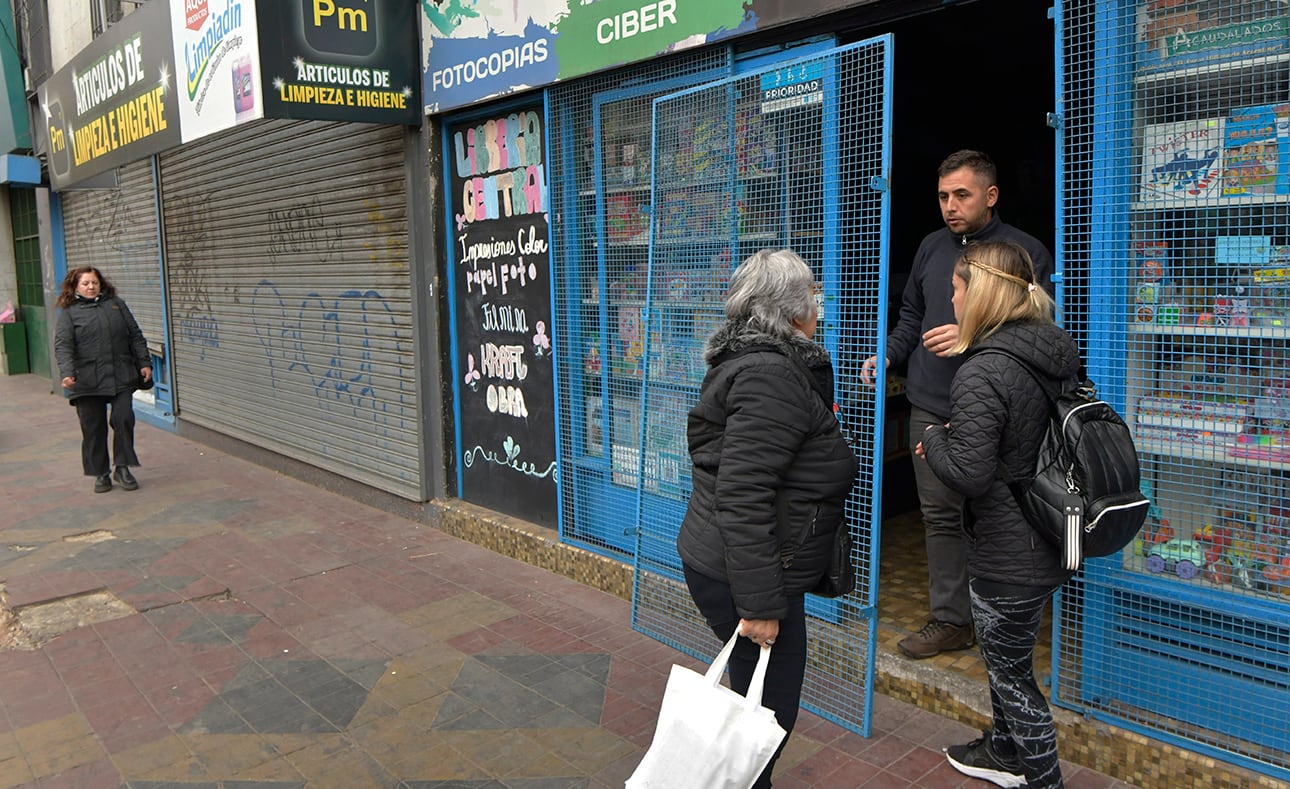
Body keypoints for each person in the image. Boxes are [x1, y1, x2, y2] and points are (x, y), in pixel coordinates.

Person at [861, 149, 1054, 659]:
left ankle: (1001, 624)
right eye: (944, 196)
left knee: (1001, 515)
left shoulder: (1024, 251)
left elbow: (1041, 331)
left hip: (1000, 410)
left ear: (990, 197)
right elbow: (911, 318)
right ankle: (950, 620)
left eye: (962, 195)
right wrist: (888, 355)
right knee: (941, 517)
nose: (950, 205)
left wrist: (972, 339)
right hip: (931, 402)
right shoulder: (929, 247)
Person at [678, 249, 857, 788]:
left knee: (757, 707)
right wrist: (757, 605)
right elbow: (744, 490)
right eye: (814, 295)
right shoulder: (770, 375)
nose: (819, 306)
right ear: (792, 308)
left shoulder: (762, 364)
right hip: (750, 576)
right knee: (766, 717)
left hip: (743, 564)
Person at [915, 239, 1079, 789]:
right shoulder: (1053, 346)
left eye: (957, 288)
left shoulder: (982, 371)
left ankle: (1042, 778)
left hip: (1010, 550)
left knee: (1012, 677)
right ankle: (1005, 752)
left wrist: (935, 438)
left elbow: (969, 472)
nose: (951, 299)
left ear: (978, 293)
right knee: (1010, 662)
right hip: (1051, 531)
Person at [54, 266, 152, 493]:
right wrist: (67, 373)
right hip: (87, 380)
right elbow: (63, 346)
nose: (91, 287)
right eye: (85, 283)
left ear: (101, 284)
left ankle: (123, 467)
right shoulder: (69, 313)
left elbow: (135, 335)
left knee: (124, 419)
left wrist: (144, 362)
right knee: (93, 428)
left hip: (120, 375)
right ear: (76, 286)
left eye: (94, 283)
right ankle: (100, 473)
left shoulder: (116, 305)